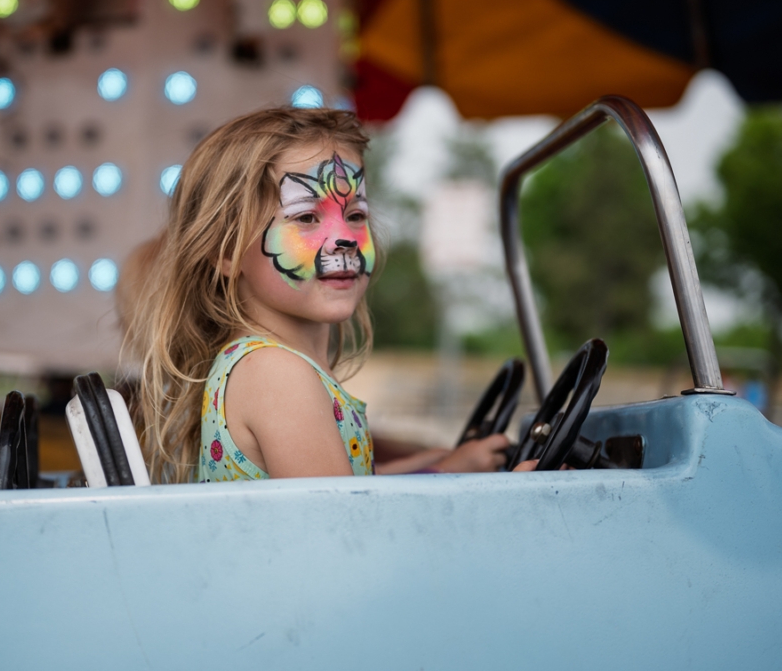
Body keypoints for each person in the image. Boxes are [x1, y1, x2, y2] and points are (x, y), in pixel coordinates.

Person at [125, 107, 534, 483]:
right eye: (305, 217)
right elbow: (346, 535)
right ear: (227, 253)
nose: (344, 239)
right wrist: (502, 495)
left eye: (355, 215)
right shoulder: (275, 374)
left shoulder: (270, 364)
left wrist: (444, 465)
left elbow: (350, 489)